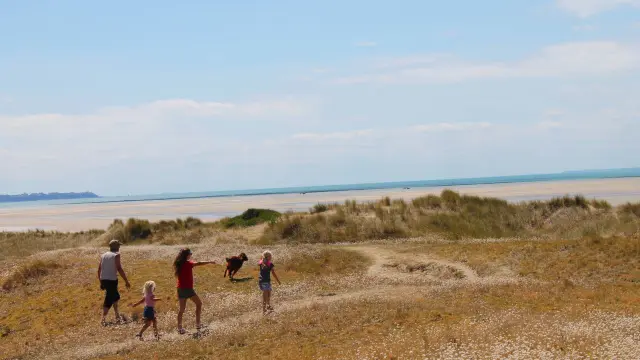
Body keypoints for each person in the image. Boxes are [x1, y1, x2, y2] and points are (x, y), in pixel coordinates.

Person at [174, 248, 216, 334]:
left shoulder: (179, 263)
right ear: (187, 255)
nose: (191, 255)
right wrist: (209, 261)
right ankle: (198, 324)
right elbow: (199, 263)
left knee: (181, 310)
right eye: (190, 253)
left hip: (180, 288)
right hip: (188, 289)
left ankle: (179, 328)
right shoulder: (188, 263)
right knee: (199, 304)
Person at [98, 239, 131, 325]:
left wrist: (101, 282)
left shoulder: (103, 255)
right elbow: (119, 268)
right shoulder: (116, 255)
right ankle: (103, 320)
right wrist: (126, 281)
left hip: (104, 279)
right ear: (116, 247)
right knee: (109, 299)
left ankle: (117, 315)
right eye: (119, 245)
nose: (120, 247)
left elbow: (99, 269)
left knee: (115, 296)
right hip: (111, 280)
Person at [258, 250, 281, 315]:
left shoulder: (262, 262)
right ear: (267, 257)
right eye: (270, 256)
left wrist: (263, 260)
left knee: (268, 296)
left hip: (264, 281)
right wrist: (278, 281)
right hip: (264, 281)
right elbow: (273, 273)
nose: (271, 257)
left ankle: (268, 307)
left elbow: (260, 262)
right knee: (266, 297)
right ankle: (264, 311)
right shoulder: (269, 264)